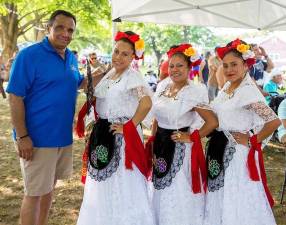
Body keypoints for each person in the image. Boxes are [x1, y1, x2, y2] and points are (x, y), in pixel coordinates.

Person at [6, 10, 87, 225]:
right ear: (48, 28)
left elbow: (78, 82)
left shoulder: (70, 57)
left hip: (61, 137)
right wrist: (23, 136)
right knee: (33, 193)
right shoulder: (29, 55)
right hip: (36, 139)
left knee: (49, 188)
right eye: (60, 27)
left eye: (70, 30)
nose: (65, 33)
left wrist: (110, 74)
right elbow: (14, 97)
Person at [77, 31, 155, 225]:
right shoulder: (109, 75)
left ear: (132, 57)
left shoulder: (133, 77)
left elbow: (145, 103)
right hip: (103, 133)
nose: (118, 57)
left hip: (120, 137)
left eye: (125, 54)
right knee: (102, 184)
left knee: (122, 183)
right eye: (116, 51)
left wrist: (129, 126)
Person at [204, 38, 280, 225]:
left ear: (246, 65)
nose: (229, 69)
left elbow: (273, 121)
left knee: (236, 197)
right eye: (226, 65)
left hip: (237, 154)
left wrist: (253, 140)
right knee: (221, 194)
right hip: (219, 148)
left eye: (235, 65)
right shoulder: (228, 88)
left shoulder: (247, 90)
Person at [146, 43, 218, 225]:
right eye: (171, 65)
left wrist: (191, 137)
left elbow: (212, 122)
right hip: (160, 144)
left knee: (177, 189)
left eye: (180, 66)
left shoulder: (194, 91)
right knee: (159, 186)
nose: (174, 70)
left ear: (189, 67)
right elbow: (156, 118)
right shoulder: (162, 86)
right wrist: (153, 140)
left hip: (179, 148)